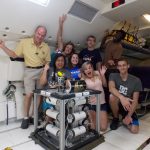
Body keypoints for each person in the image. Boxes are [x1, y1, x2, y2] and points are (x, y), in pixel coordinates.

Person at [0, 26, 50, 129]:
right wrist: (2, 46)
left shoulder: (46, 46)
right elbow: (14, 55)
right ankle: (26, 117)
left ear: (44, 36)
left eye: (42, 35)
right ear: (35, 32)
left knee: (39, 95)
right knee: (29, 94)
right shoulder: (24, 42)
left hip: (41, 71)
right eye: (38, 33)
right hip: (29, 71)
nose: (40, 36)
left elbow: (47, 61)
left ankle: (33, 116)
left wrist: (45, 69)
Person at [109, 58, 142, 133]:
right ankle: (116, 118)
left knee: (134, 130)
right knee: (112, 96)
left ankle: (124, 119)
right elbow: (111, 88)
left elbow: (135, 101)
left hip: (127, 106)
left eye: (124, 65)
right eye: (119, 66)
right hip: (117, 102)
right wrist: (122, 98)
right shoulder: (113, 75)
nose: (122, 67)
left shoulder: (136, 80)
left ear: (128, 66)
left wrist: (129, 116)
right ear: (117, 67)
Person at [81, 61, 108, 131]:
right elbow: (81, 93)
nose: (88, 70)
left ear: (92, 68)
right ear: (84, 71)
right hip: (91, 105)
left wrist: (103, 75)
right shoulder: (83, 79)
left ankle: (92, 119)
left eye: (90, 68)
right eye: (86, 69)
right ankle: (88, 118)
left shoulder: (98, 73)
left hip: (102, 103)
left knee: (103, 128)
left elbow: (105, 85)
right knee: (94, 128)